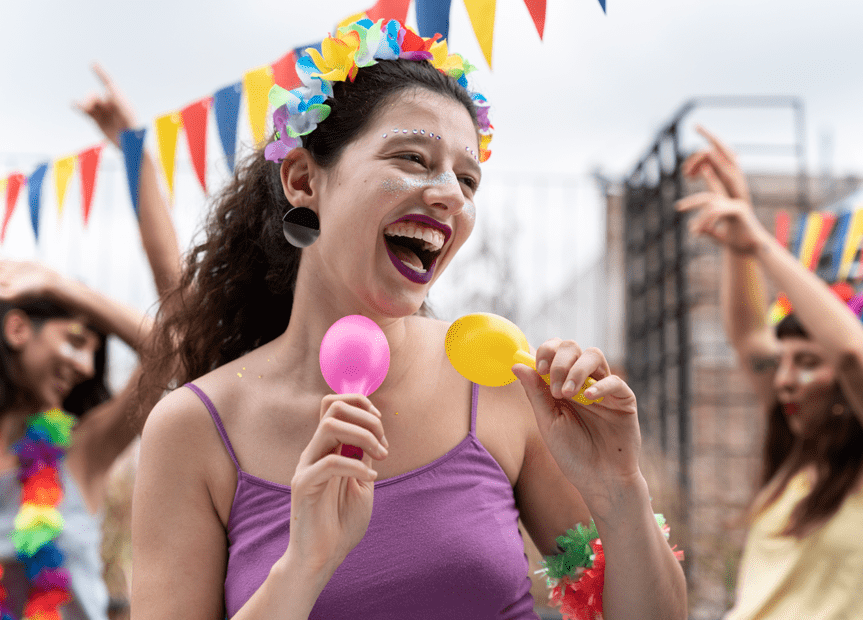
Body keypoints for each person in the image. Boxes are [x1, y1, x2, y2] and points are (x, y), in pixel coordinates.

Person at [131, 18, 687, 620]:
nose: (451, 194)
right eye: (413, 158)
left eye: (468, 179)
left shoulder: (504, 381)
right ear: (301, 179)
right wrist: (304, 565)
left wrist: (620, 490)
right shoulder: (192, 430)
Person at [676, 127, 863, 619]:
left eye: (808, 361)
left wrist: (763, 244)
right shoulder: (797, 459)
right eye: (784, 360)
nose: (784, 377)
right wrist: (738, 227)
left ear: (854, 384)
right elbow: (750, 336)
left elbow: (855, 355)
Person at [0, 64, 180, 620]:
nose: (84, 365)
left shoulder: (84, 450)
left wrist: (62, 287)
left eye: (93, 353)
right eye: (75, 340)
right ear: (16, 328)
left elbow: (171, 340)